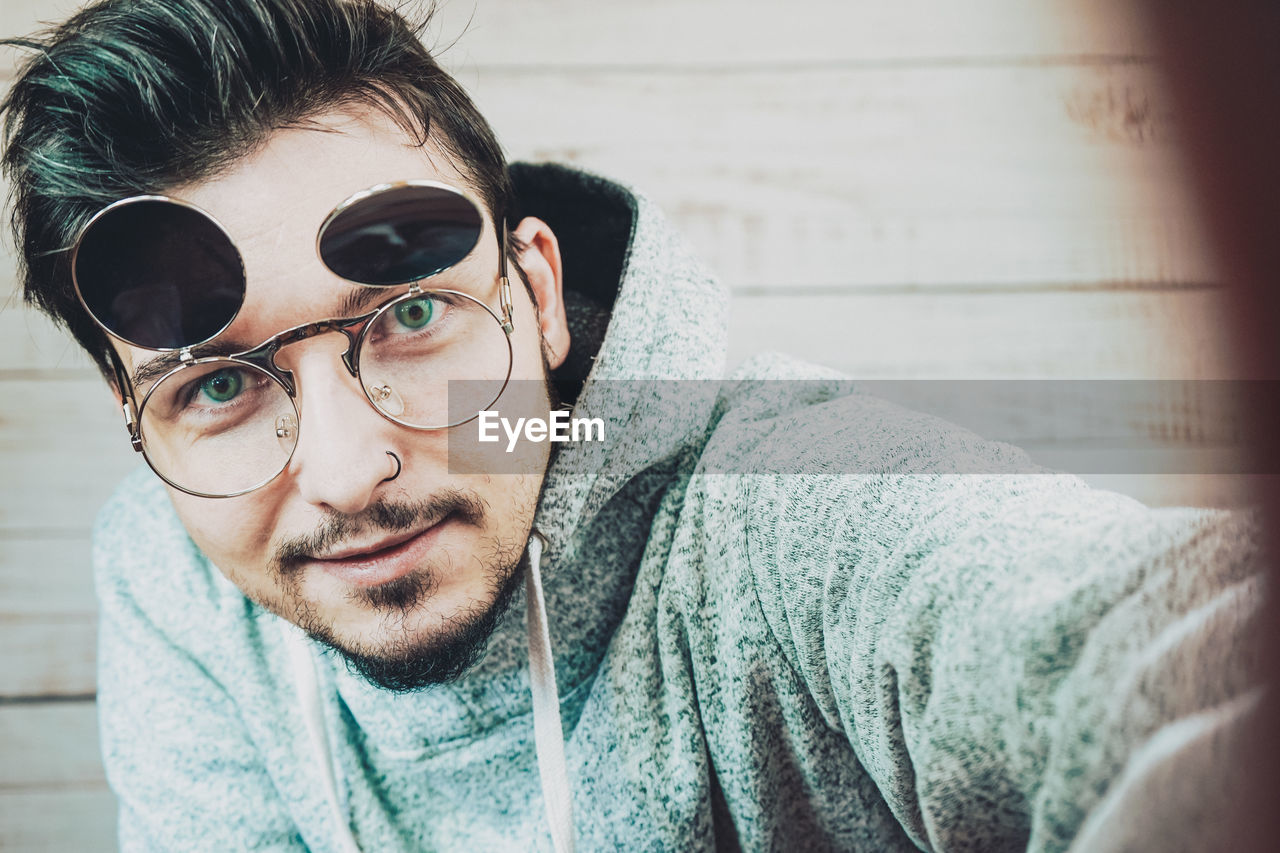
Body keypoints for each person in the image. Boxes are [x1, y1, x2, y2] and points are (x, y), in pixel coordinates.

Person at [0, 1, 1265, 850]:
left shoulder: (775, 506)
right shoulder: (175, 569)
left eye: (413, 315)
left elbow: (1181, 647)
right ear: (136, 414)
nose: (344, 473)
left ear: (537, 292)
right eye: (216, 386)